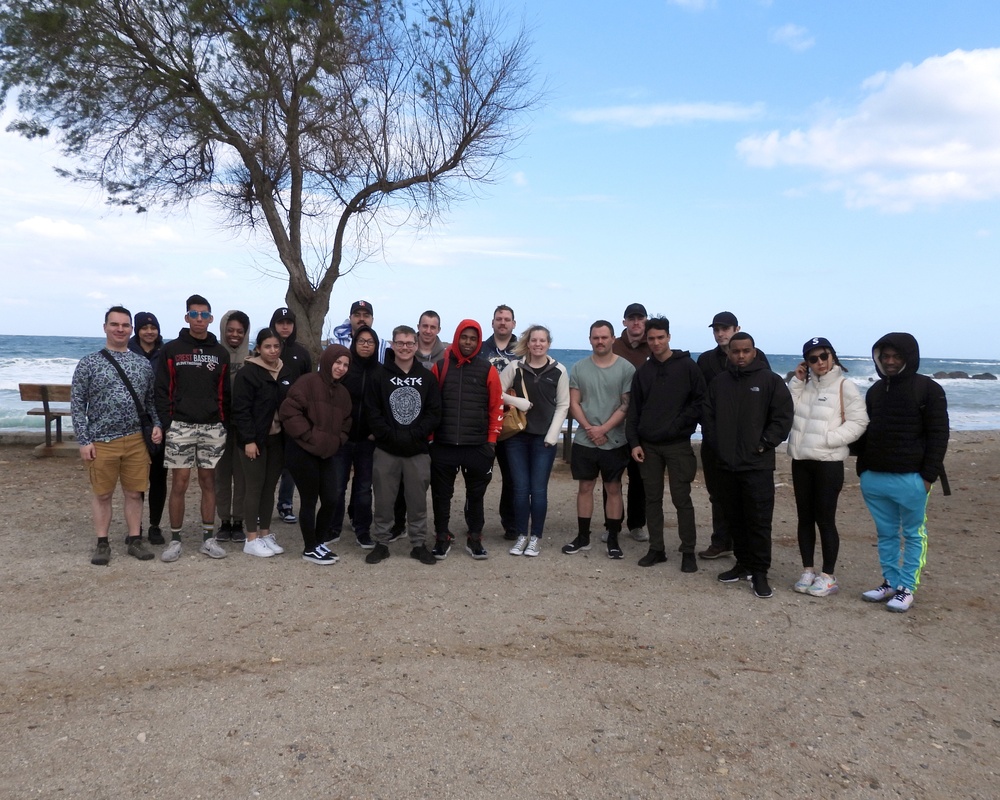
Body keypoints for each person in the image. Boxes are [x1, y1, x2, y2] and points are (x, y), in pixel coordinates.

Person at [854, 333, 949, 613]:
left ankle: (907, 587)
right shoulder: (874, 391)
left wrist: (928, 477)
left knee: (914, 534)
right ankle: (890, 582)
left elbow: (939, 435)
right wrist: (862, 468)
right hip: (875, 477)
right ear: (878, 359)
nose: (891, 362)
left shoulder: (928, 389)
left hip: (912, 479)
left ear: (908, 358)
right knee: (886, 534)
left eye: (896, 357)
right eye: (885, 357)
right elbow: (864, 432)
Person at [701, 332, 793, 599]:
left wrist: (764, 444)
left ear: (754, 352)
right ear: (729, 353)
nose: (740, 355)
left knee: (759, 521)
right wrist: (717, 445)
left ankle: (760, 572)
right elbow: (708, 416)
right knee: (735, 519)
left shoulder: (770, 381)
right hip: (726, 465)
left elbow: (783, 417)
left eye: (745, 351)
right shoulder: (720, 382)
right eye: (735, 351)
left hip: (757, 466)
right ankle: (742, 564)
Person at [72, 306, 162, 565]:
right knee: (102, 494)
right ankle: (102, 543)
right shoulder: (89, 363)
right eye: (115, 324)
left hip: (135, 440)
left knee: (135, 493)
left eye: (125, 325)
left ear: (130, 330)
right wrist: (84, 440)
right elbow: (78, 404)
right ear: (105, 327)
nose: (120, 329)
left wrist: (157, 424)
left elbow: (150, 402)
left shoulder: (142, 363)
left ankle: (135, 539)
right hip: (102, 441)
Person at [787, 337, 868, 597]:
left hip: (828, 464)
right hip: (801, 461)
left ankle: (828, 575)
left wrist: (830, 440)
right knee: (804, 519)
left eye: (824, 356)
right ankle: (808, 570)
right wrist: (797, 382)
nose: (819, 362)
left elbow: (859, 422)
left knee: (825, 519)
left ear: (832, 356)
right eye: (813, 358)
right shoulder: (805, 386)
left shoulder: (846, 386)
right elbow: (788, 411)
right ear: (806, 362)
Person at [625, 317, 706, 572]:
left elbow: (700, 402)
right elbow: (634, 410)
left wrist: (679, 425)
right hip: (648, 446)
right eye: (651, 339)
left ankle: (688, 551)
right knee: (652, 499)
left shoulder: (687, 367)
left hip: (678, 444)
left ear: (669, 337)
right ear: (646, 341)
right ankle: (657, 548)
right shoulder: (644, 372)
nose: (656, 342)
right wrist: (634, 442)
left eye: (660, 337)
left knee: (682, 499)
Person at [155, 294, 231, 562]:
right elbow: (162, 390)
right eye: (194, 314)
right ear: (187, 317)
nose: (199, 319)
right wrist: (168, 423)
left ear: (210, 318)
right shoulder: (172, 350)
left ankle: (208, 539)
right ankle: (175, 540)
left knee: (208, 481)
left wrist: (222, 423)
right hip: (181, 426)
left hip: (212, 427)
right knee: (180, 482)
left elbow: (224, 393)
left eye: (204, 315)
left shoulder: (220, 353)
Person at [364, 325, 442, 566]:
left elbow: (434, 412)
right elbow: (372, 411)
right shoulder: (379, 375)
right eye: (400, 343)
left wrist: (415, 434)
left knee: (417, 501)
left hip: (417, 450)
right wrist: (390, 435)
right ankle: (381, 543)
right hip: (387, 449)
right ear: (392, 345)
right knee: (384, 499)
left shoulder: (427, 377)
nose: (405, 348)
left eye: (409, 343)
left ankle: (418, 544)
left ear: (416, 345)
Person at [696, 311, 771, 560]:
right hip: (715, 439)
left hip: (748, 443)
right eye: (716, 329)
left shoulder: (757, 360)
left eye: (725, 328)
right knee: (718, 492)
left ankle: (748, 549)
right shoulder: (706, 360)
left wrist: (763, 439)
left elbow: (767, 401)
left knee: (749, 497)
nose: (720, 333)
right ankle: (721, 541)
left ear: (736, 329)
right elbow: (700, 399)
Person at [429, 319, 504, 560]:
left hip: (477, 446)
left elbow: (496, 407)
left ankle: (475, 538)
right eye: (464, 337)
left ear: (479, 341)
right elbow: (431, 407)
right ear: (457, 337)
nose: (468, 342)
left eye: (473, 338)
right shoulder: (440, 368)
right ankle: (442, 536)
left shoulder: (487, 370)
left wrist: (491, 441)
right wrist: (431, 439)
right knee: (441, 495)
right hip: (444, 444)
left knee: (476, 496)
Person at [560, 321, 635, 559]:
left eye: (604, 337)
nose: (600, 341)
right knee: (585, 487)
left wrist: (603, 429)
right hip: (585, 439)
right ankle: (583, 537)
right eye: (595, 337)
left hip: (615, 440)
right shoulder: (580, 368)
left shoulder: (626, 369)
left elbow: (626, 405)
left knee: (613, 488)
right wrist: (590, 429)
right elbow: (574, 402)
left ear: (613, 338)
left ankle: (613, 538)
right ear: (590, 339)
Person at [278, 344, 353, 564]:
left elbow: (347, 422)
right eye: (338, 362)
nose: (341, 368)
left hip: (327, 452)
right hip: (302, 451)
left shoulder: (343, 393)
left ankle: (319, 543)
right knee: (309, 499)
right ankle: (310, 547)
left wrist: (337, 440)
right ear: (328, 361)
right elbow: (288, 410)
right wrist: (310, 436)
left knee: (331, 498)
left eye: (345, 364)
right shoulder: (308, 382)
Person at [499, 325, 570, 557]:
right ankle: (521, 535)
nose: (538, 344)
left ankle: (535, 537)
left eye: (542, 340)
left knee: (538, 490)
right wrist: (516, 402)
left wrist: (552, 435)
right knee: (520, 489)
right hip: (517, 437)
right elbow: (495, 391)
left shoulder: (558, 370)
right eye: (534, 340)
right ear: (527, 343)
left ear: (548, 343)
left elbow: (563, 405)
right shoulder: (515, 367)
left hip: (544, 441)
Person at [232, 328, 295, 558]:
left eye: (276, 346)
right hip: (253, 441)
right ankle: (251, 538)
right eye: (267, 346)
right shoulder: (248, 374)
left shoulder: (285, 371)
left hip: (277, 439)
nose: (272, 350)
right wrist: (248, 439)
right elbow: (240, 410)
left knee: (270, 487)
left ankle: (265, 534)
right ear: (258, 348)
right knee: (255, 487)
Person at [329, 324, 381, 550]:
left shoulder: (381, 371)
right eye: (362, 341)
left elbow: (384, 406)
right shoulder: (345, 368)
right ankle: (332, 527)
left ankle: (362, 530)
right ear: (354, 343)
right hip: (343, 439)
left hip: (367, 441)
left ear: (376, 345)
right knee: (338, 486)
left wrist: (376, 432)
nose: (366, 345)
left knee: (363, 488)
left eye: (370, 342)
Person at [612, 302, 652, 543]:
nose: (636, 322)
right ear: (624, 321)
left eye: (640, 318)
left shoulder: (654, 345)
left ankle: (637, 524)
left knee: (639, 479)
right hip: (615, 422)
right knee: (612, 477)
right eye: (632, 318)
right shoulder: (614, 346)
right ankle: (612, 524)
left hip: (643, 425)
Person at [127, 311, 167, 545]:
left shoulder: (166, 352)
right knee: (136, 479)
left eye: (153, 328)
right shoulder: (128, 351)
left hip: (160, 422)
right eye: (144, 328)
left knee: (159, 478)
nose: (149, 332)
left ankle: (154, 525)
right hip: (134, 423)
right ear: (137, 330)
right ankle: (136, 526)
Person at [480, 304, 519, 540]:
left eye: (507, 319)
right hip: (483, 421)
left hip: (511, 422)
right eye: (499, 319)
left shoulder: (522, 349)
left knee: (512, 477)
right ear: (492, 322)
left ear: (514, 323)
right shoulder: (481, 349)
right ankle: (474, 520)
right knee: (479, 474)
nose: (503, 322)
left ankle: (511, 523)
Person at [271, 306, 313, 525]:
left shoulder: (302, 353)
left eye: (288, 323)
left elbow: (309, 386)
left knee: (290, 465)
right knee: (268, 464)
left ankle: (285, 504)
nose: (285, 326)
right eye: (280, 322)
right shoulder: (266, 350)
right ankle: (263, 506)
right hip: (268, 418)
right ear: (273, 325)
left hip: (294, 419)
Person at [214, 310, 251, 544]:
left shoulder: (253, 357)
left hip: (244, 425)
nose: (234, 335)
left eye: (239, 331)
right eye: (230, 330)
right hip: (218, 425)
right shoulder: (215, 355)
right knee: (221, 476)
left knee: (242, 476)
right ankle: (223, 521)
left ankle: (238, 521)